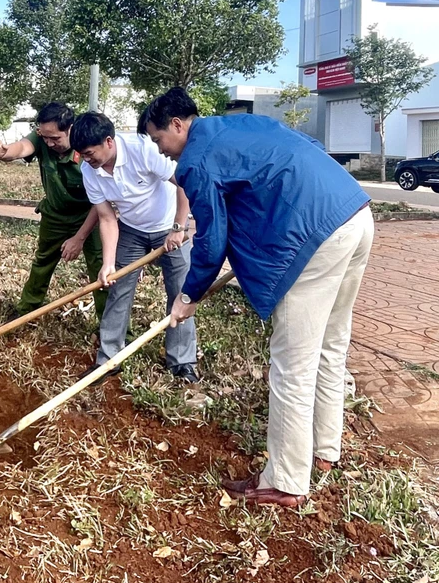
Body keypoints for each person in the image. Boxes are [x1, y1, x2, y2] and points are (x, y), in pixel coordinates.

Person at [144, 87, 373, 507]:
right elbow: (310, 148)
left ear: (177, 125)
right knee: (330, 347)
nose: (164, 154)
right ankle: (324, 453)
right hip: (355, 213)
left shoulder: (196, 158)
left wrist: (187, 296)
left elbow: (211, 243)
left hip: (314, 235)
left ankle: (285, 482)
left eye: (160, 141)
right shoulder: (243, 124)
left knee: (292, 365)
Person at [69, 111, 198, 383]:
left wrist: (179, 227)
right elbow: (106, 217)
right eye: (82, 155)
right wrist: (108, 263)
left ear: (109, 141)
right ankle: (108, 360)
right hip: (131, 230)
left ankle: (182, 362)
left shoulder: (144, 149)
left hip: (167, 226)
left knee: (180, 293)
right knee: (117, 289)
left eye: (90, 153)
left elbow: (183, 184)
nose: (87, 160)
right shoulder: (89, 170)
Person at [0, 102, 105, 320]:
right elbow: (22, 148)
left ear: (70, 129)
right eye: (45, 137)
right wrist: (3, 151)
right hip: (55, 215)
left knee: (101, 268)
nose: (49, 143)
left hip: (91, 216)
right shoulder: (43, 138)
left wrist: (79, 238)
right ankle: (26, 312)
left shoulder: (88, 146)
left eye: (56, 139)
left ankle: (110, 326)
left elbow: (104, 202)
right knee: (42, 262)